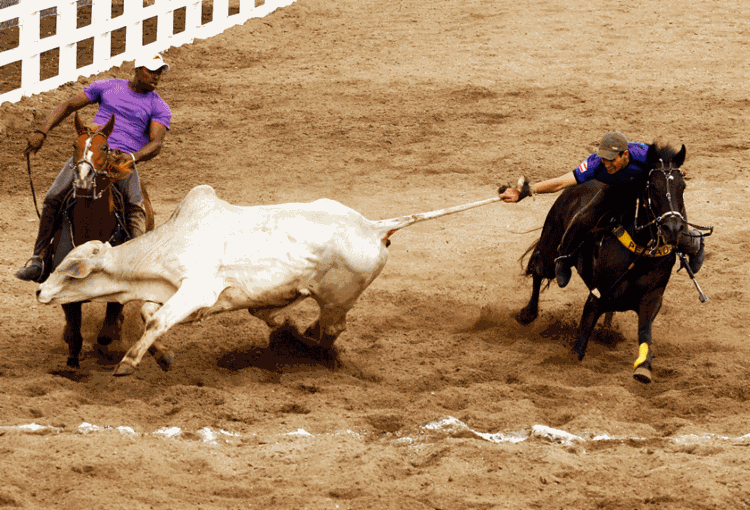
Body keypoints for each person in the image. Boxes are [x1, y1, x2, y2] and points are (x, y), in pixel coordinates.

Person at [16, 53, 172, 282]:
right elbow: (69, 105)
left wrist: (131, 157)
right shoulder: (108, 86)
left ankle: (137, 263)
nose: (156, 76)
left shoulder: (158, 106)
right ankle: (39, 258)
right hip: (90, 153)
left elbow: (156, 143)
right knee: (52, 198)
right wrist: (42, 131)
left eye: (159, 72)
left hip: (121, 161)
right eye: (151, 70)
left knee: (136, 207)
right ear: (137, 69)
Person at [498, 131, 705, 288]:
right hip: (613, 190)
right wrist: (528, 190)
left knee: (671, 219)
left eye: (611, 160)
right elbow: (561, 183)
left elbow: (668, 168)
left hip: (642, 191)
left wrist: (676, 172)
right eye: (604, 159)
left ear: (625, 154)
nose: (607, 164)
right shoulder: (596, 164)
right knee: (583, 218)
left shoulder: (643, 155)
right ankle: (563, 258)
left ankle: (695, 243)